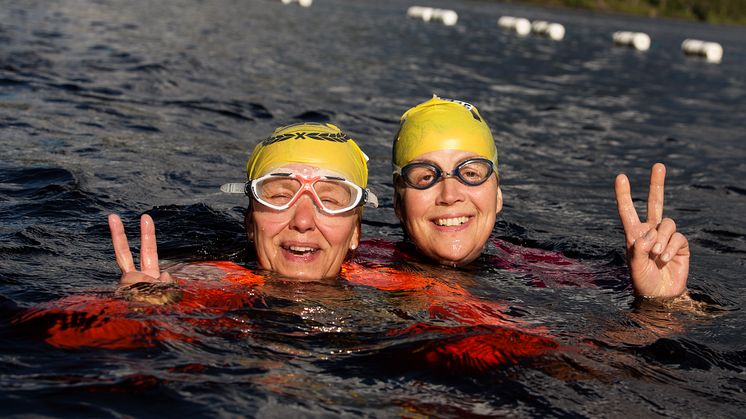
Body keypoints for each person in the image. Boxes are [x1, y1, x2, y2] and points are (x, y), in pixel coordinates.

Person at [392, 95, 690, 299]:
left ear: (498, 197)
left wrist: (661, 303)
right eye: (425, 176)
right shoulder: (361, 270)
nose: (450, 194)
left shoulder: (544, 269)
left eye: (471, 173)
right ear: (398, 205)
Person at [109, 121, 379, 285]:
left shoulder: (400, 292)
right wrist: (140, 315)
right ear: (249, 223)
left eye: (330, 200)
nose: (303, 221)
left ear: (356, 232)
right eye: (279, 196)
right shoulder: (188, 284)